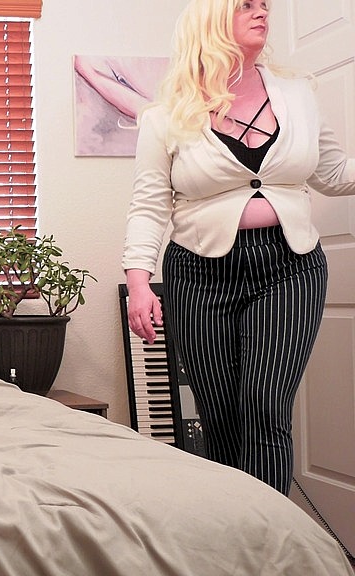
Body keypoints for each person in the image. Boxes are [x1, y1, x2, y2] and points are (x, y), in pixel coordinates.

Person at [123, 0, 355, 495]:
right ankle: (233, 529)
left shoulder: (299, 94)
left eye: (263, 4)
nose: (261, 11)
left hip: (289, 267)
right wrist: (138, 283)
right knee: (221, 415)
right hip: (199, 275)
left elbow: (334, 174)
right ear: (212, 17)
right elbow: (148, 206)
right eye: (245, 4)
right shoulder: (166, 116)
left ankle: (270, 537)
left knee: (266, 406)